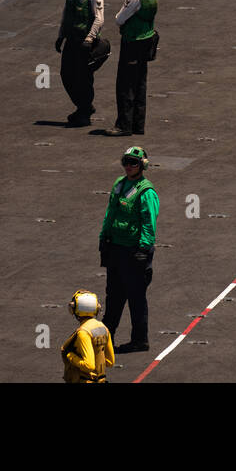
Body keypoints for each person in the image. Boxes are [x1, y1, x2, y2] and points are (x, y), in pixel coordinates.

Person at [99, 146, 159, 353]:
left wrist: (143, 248)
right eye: (126, 161)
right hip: (116, 248)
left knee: (136, 298)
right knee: (113, 296)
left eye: (133, 162)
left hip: (134, 251)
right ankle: (106, 339)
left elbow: (149, 223)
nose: (128, 166)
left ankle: (140, 340)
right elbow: (111, 212)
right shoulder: (120, 184)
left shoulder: (146, 192)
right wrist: (103, 237)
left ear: (143, 165)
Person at [106, 0, 158, 138]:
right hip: (147, 41)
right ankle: (138, 125)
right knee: (140, 84)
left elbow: (119, 19)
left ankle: (124, 125)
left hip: (133, 43)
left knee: (125, 85)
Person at [55, 0, 105, 127]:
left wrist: (89, 39)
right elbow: (65, 16)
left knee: (84, 78)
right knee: (66, 75)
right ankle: (84, 107)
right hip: (71, 41)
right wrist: (61, 36)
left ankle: (84, 113)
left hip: (85, 43)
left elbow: (99, 20)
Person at [61, 289, 114, 383]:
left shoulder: (83, 332)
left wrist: (70, 356)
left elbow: (89, 365)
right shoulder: (104, 328)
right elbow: (110, 362)